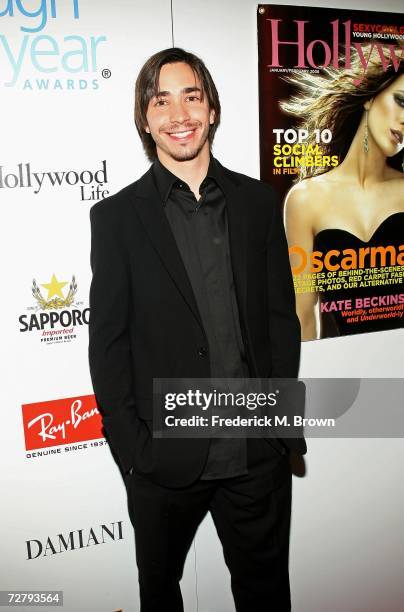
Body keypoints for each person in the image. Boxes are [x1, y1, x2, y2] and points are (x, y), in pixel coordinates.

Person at [89, 47, 306, 612]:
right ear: (144, 118)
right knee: (160, 598)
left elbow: (281, 322)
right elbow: (107, 344)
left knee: (266, 598)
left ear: (211, 109)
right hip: (164, 463)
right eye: (161, 101)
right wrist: (134, 451)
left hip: (255, 456)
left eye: (191, 96)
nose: (178, 113)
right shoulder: (115, 219)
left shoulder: (259, 203)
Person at [283, 43, 404, 340]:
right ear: (369, 98)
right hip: (348, 371)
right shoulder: (305, 200)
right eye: (402, 101)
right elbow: (305, 314)